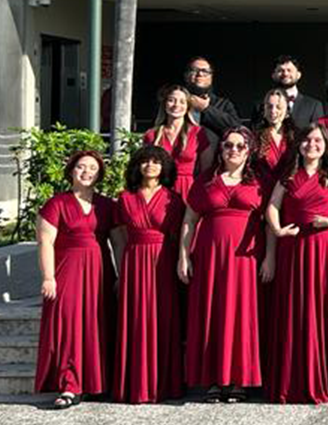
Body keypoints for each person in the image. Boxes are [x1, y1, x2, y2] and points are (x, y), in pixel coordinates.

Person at [262, 123, 328, 404]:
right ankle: (292, 381)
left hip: (324, 248)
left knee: (323, 308)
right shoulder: (288, 176)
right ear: (298, 145)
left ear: (325, 146)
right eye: (306, 140)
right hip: (294, 246)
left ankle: (321, 378)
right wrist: (277, 231)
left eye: (317, 140)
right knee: (293, 308)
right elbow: (272, 207)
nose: (311, 145)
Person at [179, 127, 265, 403]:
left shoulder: (259, 182)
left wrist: (271, 257)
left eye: (240, 146)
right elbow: (189, 220)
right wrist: (183, 255)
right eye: (228, 145)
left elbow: (269, 222)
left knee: (241, 314)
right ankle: (214, 378)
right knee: (212, 312)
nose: (234, 151)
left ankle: (238, 378)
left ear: (249, 151)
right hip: (210, 257)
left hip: (245, 258)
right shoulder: (206, 181)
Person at [34, 151, 115, 409]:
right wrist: (48, 277)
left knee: (96, 325)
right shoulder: (56, 204)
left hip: (100, 272)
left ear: (99, 174)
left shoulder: (107, 206)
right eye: (81, 167)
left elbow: (120, 241)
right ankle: (70, 384)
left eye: (93, 168)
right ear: (71, 171)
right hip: (67, 271)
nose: (87, 171)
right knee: (68, 326)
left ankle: (96, 383)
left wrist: (123, 274)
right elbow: (45, 242)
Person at [109, 146, 185, 404]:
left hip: (164, 261)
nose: (150, 166)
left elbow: (179, 237)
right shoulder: (125, 198)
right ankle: (135, 384)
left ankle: (163, 384)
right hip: (134, 261)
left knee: (163, 318)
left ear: (164, 167)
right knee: (136, 318)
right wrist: (120, 272)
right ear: (137, 167)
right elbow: (118, 238)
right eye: (144, 161)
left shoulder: (174, 199)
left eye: (155, 161)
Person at [142, 84, 213, 202]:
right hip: (158, 188)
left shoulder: (198, 133)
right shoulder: (152, 135)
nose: (176, 105)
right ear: (164, 105)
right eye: (171, 100)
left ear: (187, 107)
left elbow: (207, 169)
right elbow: (144, 167)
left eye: (182, 102)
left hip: (187, 189)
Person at [183, 56, 241, 138]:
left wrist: (206, 109)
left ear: (211, 77)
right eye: (194, 70)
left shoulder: (224, 104)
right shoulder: (175, 102)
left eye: (205, 71)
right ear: (186, 75)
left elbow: (237, 128)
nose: (200, 74)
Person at [254, 88, 296, 191]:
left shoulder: (297, 136)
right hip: (262, 192)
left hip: (289, 191)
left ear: (287, 110)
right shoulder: (255, 137)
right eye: (269, 106)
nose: (273, 111)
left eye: (279, 107)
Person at [268, 54, 323, 128]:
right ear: (273, 75)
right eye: (280, 70)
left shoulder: (313, 106)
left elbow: (318, 135)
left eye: (289, 70)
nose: (285, 73)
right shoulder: (261, 106)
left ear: (298, 75)